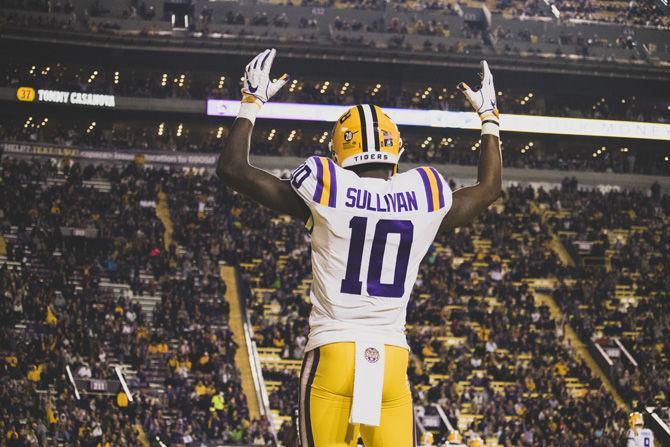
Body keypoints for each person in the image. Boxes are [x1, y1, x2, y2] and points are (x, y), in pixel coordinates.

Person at [217, 48, 502, 446]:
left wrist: (251, 102)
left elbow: (233, 169)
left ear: (338, 155)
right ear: (396, 153)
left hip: (333, 351)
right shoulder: (424, 193)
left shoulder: (326, 187)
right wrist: (489, 118)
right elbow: (488, 189)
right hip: (390, 359)